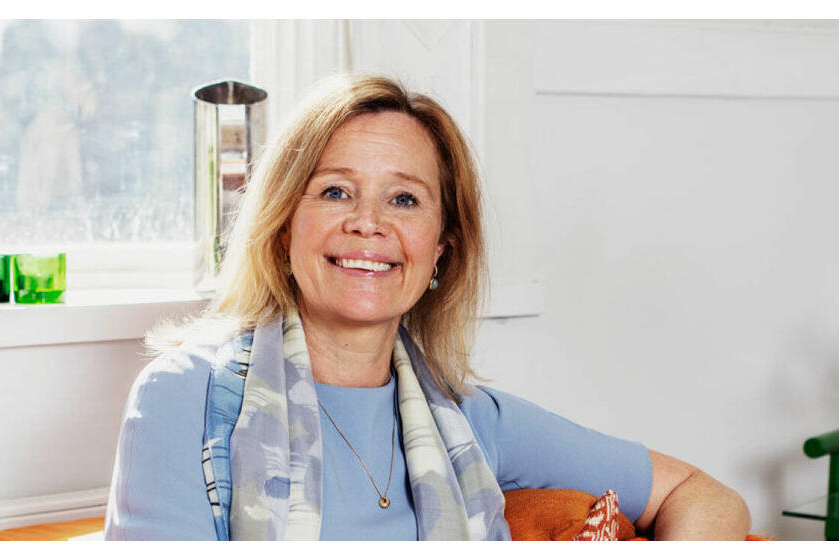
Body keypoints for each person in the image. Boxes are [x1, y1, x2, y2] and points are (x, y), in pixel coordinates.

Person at [104, 74, 751, 540]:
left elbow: (704, 496)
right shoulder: (183, 400)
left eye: (405, 200)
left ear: (441, 250)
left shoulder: (473, 420)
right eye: (335, 192)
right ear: (281, 228)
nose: (368, 224)